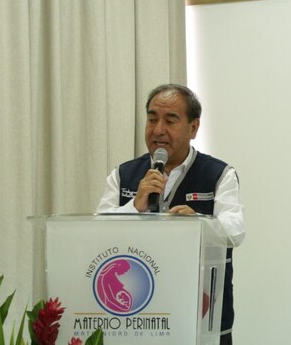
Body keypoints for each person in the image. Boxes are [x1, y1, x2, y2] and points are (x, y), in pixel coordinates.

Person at [96, 83, 245, 344]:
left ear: (193, 127)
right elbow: (95, 233)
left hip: (203, 319)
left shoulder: (219, 174)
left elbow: (235, 230)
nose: (157, 130)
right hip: (138, 317)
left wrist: (200, 224)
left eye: (170, 120)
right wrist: (134, 207)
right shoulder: (123, 175)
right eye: (152, 119)